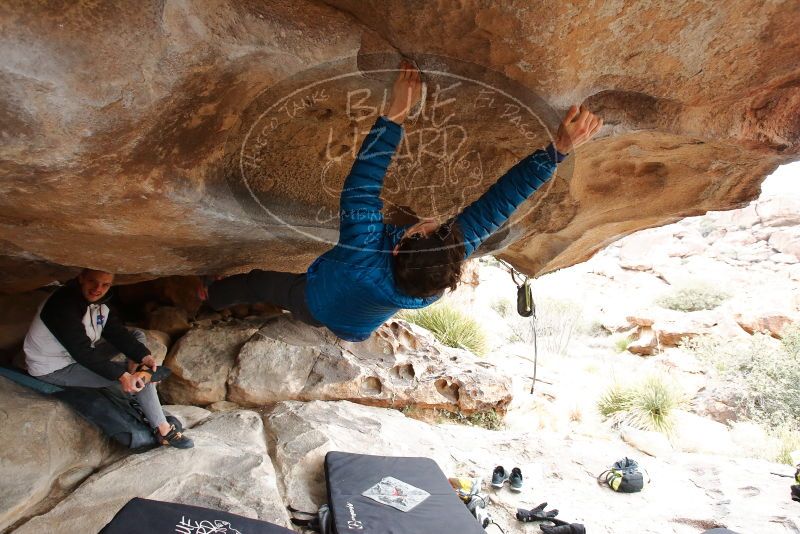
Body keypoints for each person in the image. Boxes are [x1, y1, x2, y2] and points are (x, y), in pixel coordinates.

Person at [205, 61, 602, 342]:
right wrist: (557, 150)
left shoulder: (362, 252)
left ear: (396, 245)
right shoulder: (439, 262)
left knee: (259, 283)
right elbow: (501, 202)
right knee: (325, 313)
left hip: (315, 300)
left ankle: (210, 296)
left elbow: (361, 187)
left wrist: (394, 116)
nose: (432, 218)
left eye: (421, 227)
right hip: (355, 327)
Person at [24, 268, 193, 448]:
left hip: (75, 354)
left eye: (105, 284)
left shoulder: (99, 303)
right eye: (93, 282)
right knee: (141, 379)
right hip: (54, 367)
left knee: (136, 338)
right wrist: (123, 375)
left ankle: (135, 371)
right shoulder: (63, 304)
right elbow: (81, 352)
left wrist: (143, 356)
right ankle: (164, 431)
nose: (98, 288)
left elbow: (116, 332)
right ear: (81, 278)